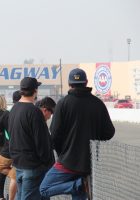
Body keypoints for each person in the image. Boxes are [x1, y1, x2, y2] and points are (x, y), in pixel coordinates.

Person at [40, 68, 115, 200]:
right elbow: (109, 132)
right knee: (79, 194)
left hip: (67, 161)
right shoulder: (98, 103)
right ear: (86, 82)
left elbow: (55, 133)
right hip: (89, 162)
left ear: (69, 84)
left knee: (44, 188)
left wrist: (62, 152)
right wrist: (95, 135)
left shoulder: (63, 103)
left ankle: (78, 184)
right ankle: (79, 184)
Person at [9, 77, 55, 200]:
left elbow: (11, 135)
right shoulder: (34, 111)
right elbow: (41, 141)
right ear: (35, 91)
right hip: (33, 166)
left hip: (18, 163)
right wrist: (47, 162)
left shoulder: (14, 109)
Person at [0, 90, 21, 200]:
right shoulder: (26, 111)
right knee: (16, 173)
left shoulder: (8, 113)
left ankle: (1, 197)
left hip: (8, 148)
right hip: (22, 150)